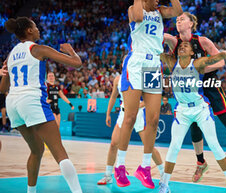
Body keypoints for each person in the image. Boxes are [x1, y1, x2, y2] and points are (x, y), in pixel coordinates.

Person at [164, 12, 226, 183]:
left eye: (182, 18)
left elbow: (221, 62)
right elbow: (161, 35)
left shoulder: (203, 41)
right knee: (194, 127)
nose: (178, 20)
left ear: (191, 23)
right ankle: (200, 162)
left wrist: (200, 69)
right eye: (177, 19)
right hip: (192, 90)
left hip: (209, 86)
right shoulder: (175, 42)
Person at [115, 0, 182, 189]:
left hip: (154, 65)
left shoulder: (161, 12)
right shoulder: (134, 9)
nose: (158, 0)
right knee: (131, 117)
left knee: (153, 120)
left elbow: (179, 11)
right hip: (136, 64)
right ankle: (120, 166)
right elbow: (136, 17)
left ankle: (144, 168)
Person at [0, 17, 82, 193]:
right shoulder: (38, 49)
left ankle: (31, 192)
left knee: (37, 150)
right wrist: (71, 51)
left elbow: (2, 87)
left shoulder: (11, 53)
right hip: (31, 99)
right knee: (59, 151)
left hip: (13, 102)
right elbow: (77, 64)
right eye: (35, 27)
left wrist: (4, 72)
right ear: (29, 31)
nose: (38, 30)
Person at [158, 41, 226, 193]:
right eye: (180, 46)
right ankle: (164, 185)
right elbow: (157, 52)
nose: (182, 47)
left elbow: (214, 59)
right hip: (182, 110)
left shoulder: (197, 64)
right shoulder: (171, 62)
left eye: (186, 46)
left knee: (214, 145)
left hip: (200, 109)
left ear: (191, 53)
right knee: (174, 146)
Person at [97, 68, 164, 186]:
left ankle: (164, 175)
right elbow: (113, 97)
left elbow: (149, 100)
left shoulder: (141, 78)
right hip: (123, 113)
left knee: (150, 147)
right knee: (113, 144)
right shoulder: (118, 79)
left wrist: (138, 105)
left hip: (139, 114)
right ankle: (108, 176)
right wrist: (108, 113)